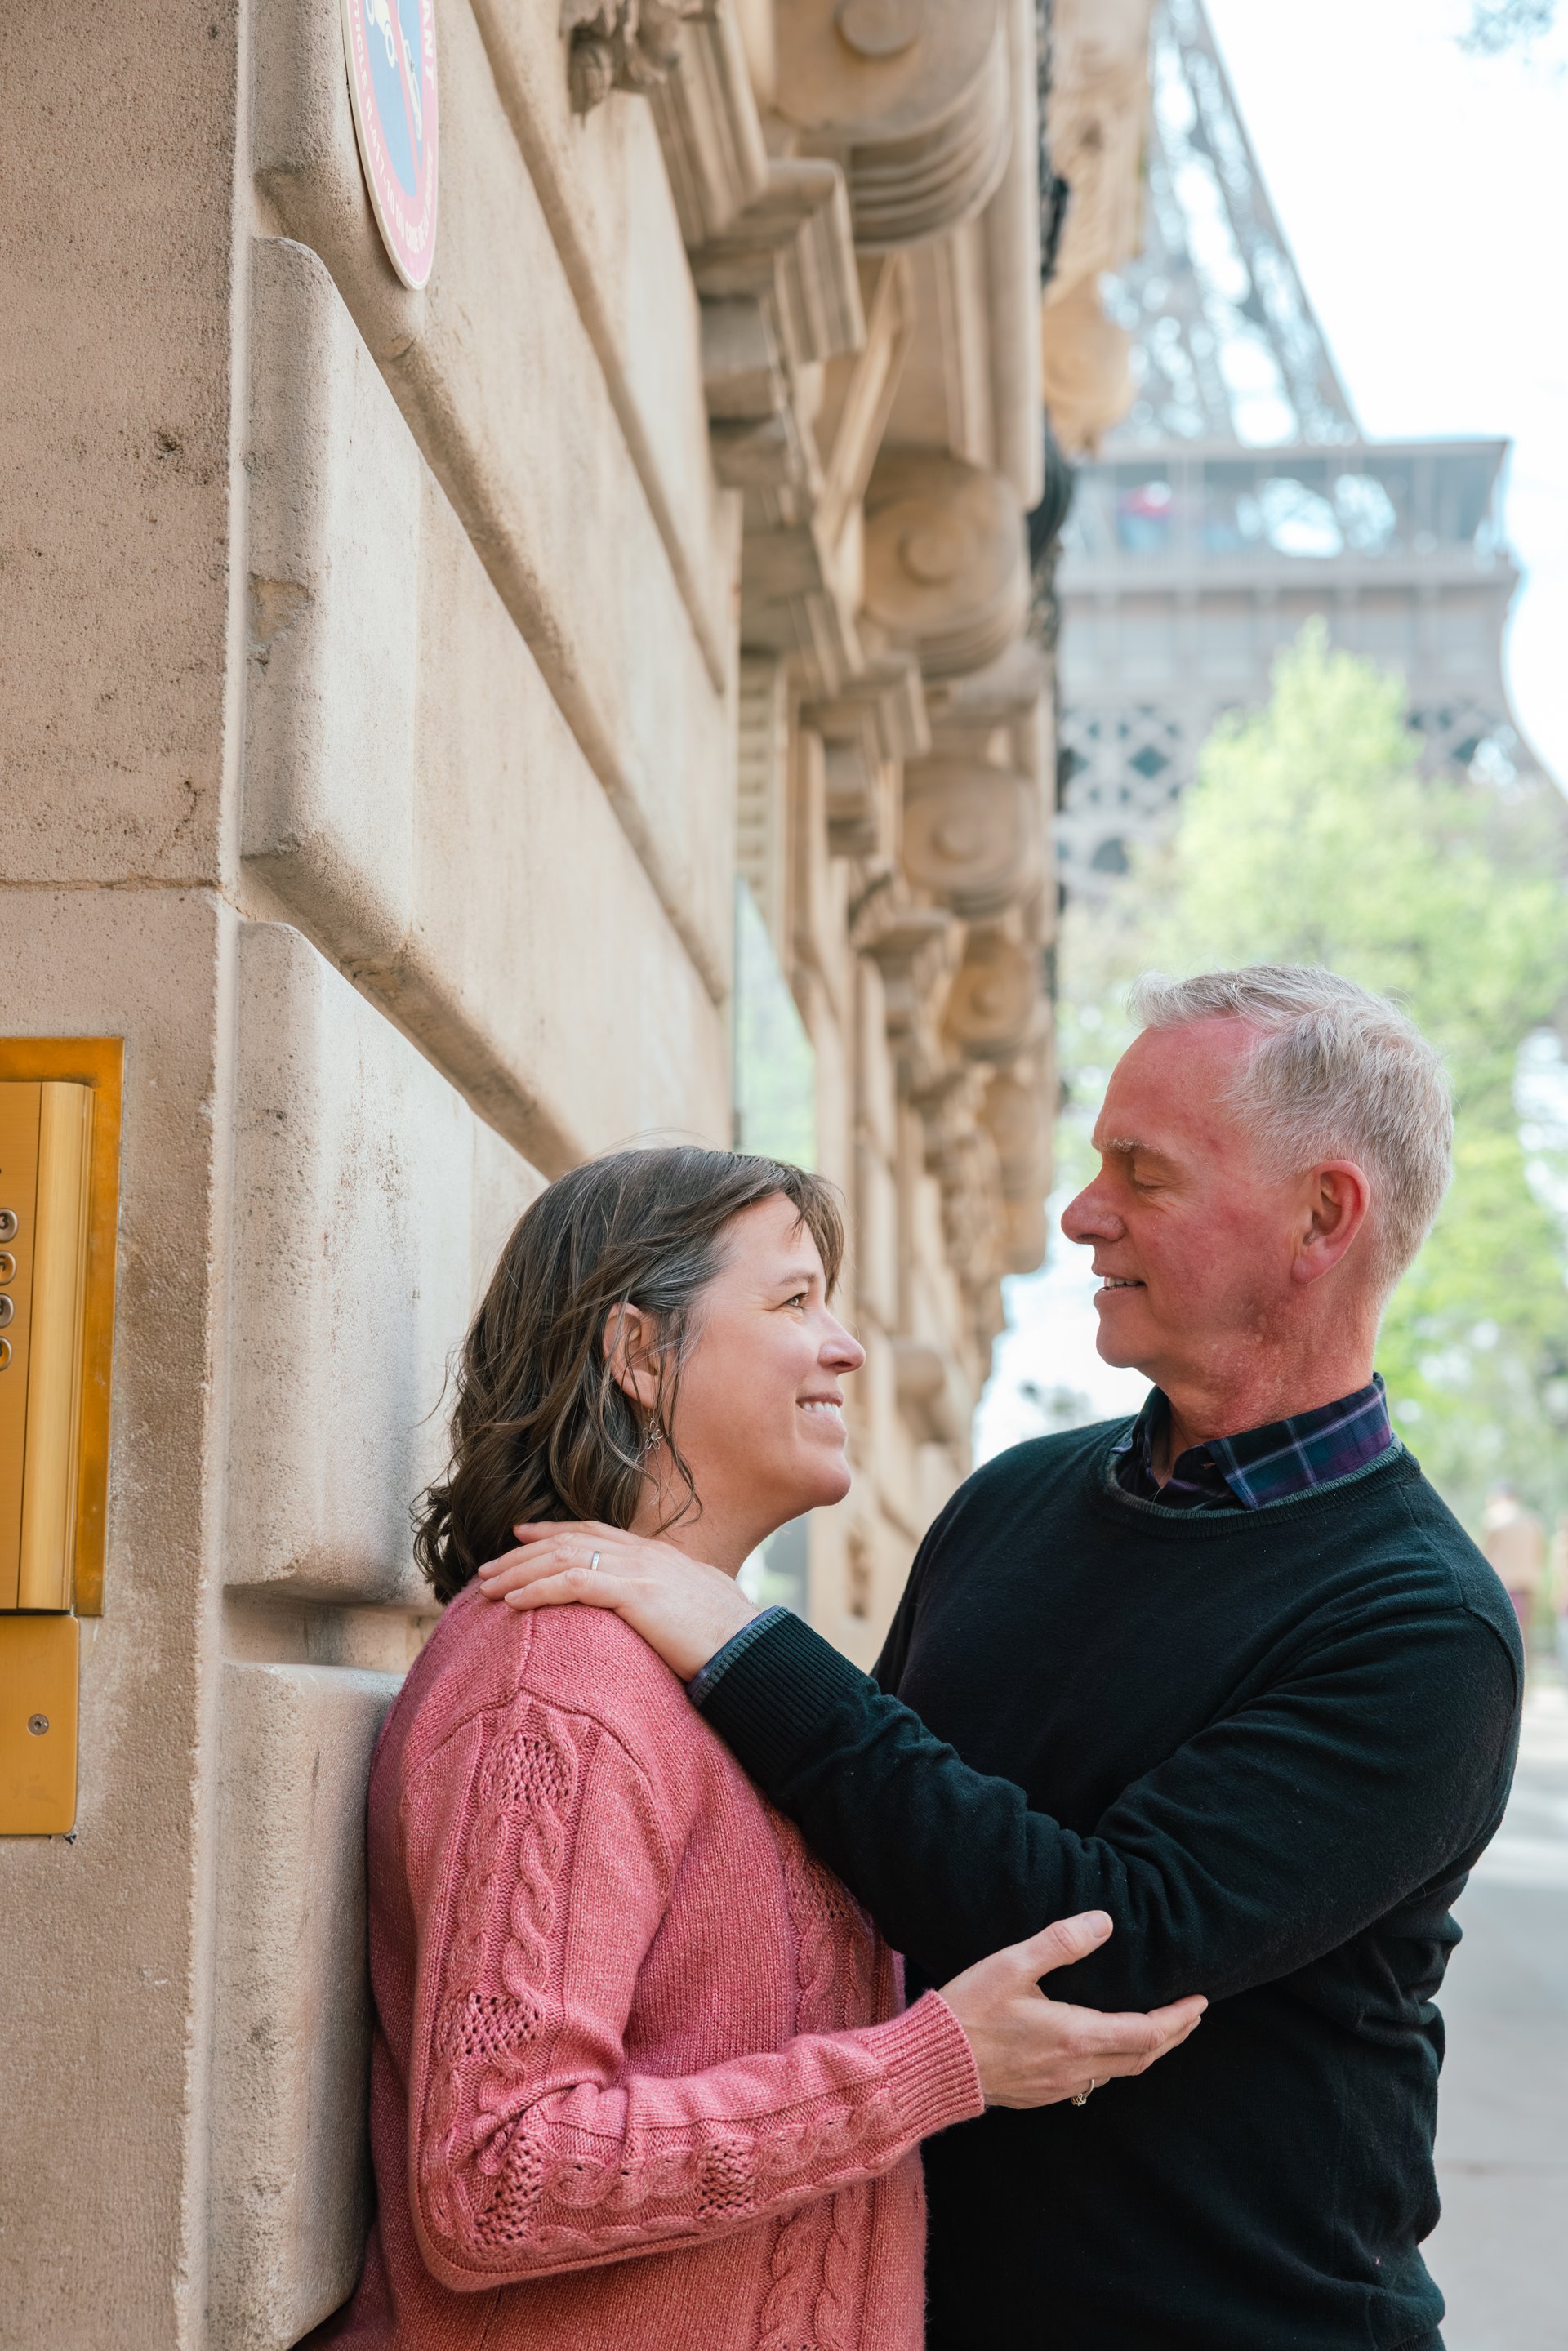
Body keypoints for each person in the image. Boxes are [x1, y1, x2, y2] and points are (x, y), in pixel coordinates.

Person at [480, 967, 1526, 2351]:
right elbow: (859, 1868)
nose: (1082, 1212)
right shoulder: (1015, 1498)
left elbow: (1098, 1943)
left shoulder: (1419, 1623)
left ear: (1323, 1216)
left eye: (1142, 1172)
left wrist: (742, 1639)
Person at [310, 1148, 1202, 2351]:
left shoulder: (706, 1677)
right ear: (639, 1353)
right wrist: (927, 2065)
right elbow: (501, 2171)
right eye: (793, 1300)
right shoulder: (558, 1686)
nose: (847, 1347)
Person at [1479, 1481, 1546, 1647]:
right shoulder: (1532, 1520)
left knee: (1502, 1639)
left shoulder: (1493, 1517)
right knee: (1524, 1640)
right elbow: (1539, 1554)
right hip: (1527, 1586)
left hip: (1503, 1586)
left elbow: (1483, 1556)